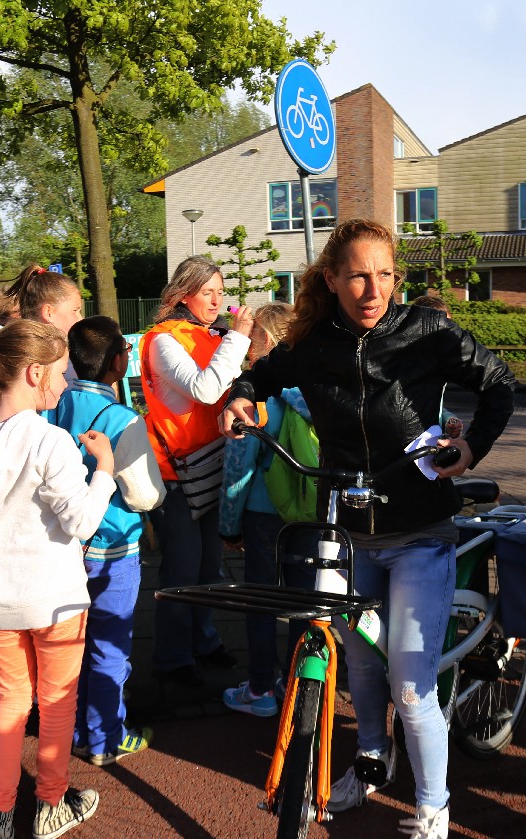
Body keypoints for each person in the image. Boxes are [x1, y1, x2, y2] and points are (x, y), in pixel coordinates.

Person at [220, 219, 517, 839]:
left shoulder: (426, 330)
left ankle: (433, 808)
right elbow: (259, 377)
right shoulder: (313, 342)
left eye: (384, 274)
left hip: (419, 531)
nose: (373, 289)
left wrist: (472, 448)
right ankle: (371, 764)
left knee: (409, 685)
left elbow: (498, 384)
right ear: (331, 279)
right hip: (348, 533)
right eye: (357, 275)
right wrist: (241, 398)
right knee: (359, 669)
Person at [0, 319, 116, 839]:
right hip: (56, 599)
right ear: (35, 373)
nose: (65, 384)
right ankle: (50, 804)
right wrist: (104, 469)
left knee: (11, 703)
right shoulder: (49, 440)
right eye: (60, 374)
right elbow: (82, 522)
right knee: (57, 705)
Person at [45, 315, 165, 766]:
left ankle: (71, 728)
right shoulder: (122, 419)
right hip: (111, 547)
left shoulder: (50, 404)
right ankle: (104, 737)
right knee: (109, 645)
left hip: (60, 546)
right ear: (118, 362)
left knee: (66, 645)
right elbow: (145, 495)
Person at [143, 256, 253, 688]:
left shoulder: (211, 336)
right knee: (182, 570)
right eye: (207, 292)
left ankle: (203, 641)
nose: (216, 301)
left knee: (209, 567)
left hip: (211, 463)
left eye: (220, 292)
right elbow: (206, 390)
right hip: (177, 472)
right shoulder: (163, 341)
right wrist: (239, 338)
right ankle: (172, 658)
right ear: (181, 295)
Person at [218, 301, 316, 717]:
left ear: (262, 344)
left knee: (261, 600)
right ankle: (298, 685)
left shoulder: (257, 402)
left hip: (264, 516)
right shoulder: (316, 394)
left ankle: (260, 689)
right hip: (310, 514)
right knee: (303, 603)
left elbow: (237, 473)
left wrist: (228, 527)